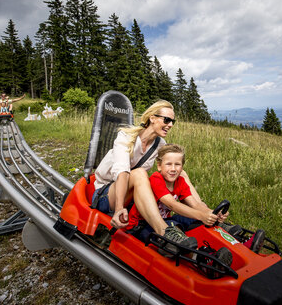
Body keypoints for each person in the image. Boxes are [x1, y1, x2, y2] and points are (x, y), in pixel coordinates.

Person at [91, 100, 218, 251]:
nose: (170, 125)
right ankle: (163, 230)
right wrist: (118, 208)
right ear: (152, 118)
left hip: (130, 194)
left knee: (179, 171)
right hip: (106, 194)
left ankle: (206, 211)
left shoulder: (160, 144)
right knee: (139, 173)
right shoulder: (126, 136)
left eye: (172, 121)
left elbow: (168, 167)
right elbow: (122, 172)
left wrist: (202, 210)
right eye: (167, 120)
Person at [126, 144, 233, 262]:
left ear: (182, 167)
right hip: (142, 225)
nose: (173, 169)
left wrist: (211, 213)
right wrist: (201, 215)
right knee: (174, 224)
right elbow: (172, 204)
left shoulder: (180, 181)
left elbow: (195, 205)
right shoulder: (156, 179)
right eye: (168, 164)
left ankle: (226, 236)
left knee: (190, 219)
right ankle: (203, 257)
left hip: (165, 220)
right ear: (159, 166)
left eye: (177, 164)